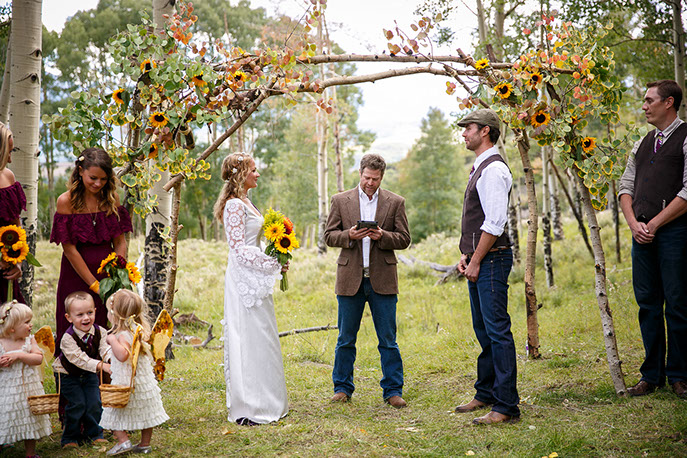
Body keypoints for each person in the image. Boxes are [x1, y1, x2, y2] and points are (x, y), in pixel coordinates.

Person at [324, 153, 411, 408]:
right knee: (345, 339)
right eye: (366, 177)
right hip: (350, 279)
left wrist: (382, 235)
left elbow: (404, 238)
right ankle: (342, 388)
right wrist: (349, 235)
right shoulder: (341, 200)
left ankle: (393, 391)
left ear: (382, 177)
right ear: (360, 173)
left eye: (375, 179)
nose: (370, 183)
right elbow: (329, 236)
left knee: (388, 339)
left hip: (382, 279)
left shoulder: (396, 202)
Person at [619, 79, 687, 399]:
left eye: (649, 101)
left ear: (669, 103)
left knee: (677, 304)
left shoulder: (686, 137)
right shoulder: (643, 142)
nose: (644, 106)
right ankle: (651, 375)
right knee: (647, 305)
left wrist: (656, 223)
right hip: (641, 235)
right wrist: (634, 223)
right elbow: (625, 187)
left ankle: (679, 375)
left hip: (674, 233)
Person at [454, 109, 519, 425]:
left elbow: (494, 224)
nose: (464, 133)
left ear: (486, 132)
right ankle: (486, 392)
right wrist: (467, 255)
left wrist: (477, 259)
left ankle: (506, 406)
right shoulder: (481, 167)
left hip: (492, 260)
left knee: (497, 331)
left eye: (468, 128)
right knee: (484, 330)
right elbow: (478, 223)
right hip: (481, 259)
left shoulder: (493, 171)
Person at [213, 152, 288, 425]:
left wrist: (277, 258)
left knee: (262, 337)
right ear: (240, 174)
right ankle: (249, 406)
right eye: (253, 170)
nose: (258, 174)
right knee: (246, 337)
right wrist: (272, 262)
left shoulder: (247, 201)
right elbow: (239, 249)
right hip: (244, 278)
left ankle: (268, 399)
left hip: (256, 278)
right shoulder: (234, 205)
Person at [50, 147, 133, 352]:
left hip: (107, 275)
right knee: (75, 323)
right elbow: (69, 250)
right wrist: (94, 284)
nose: (98, 184)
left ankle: (105, 378)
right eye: (93, 178)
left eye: (103, 179)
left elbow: (120, 241)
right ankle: (70, 378)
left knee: (106, 327)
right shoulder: (65, 201)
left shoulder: (112, 198)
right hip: (76, 273)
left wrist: (117, 273)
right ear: (80, 170)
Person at [100, 289, 169, 455]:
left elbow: (123, 355)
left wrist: (111, 340)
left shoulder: (122, 335)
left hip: (126, 383)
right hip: (142, 383)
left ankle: (123, 441)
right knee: (146, 412)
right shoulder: (139, 330)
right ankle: (144, 444)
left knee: (113, 411)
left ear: (115, 314)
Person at [52, 291, 111, 448]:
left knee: (94, 402)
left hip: (89, 373)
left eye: (89, 312)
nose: (86, 318)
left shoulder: (101, 332)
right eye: (80, 315)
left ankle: (94, 433)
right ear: (69, 318)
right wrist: (101, 366)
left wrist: (112, 358)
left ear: (95, 311)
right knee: (77, 403)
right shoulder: (67, 338)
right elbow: (79, 359)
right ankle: (70, 437)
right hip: (67, 374)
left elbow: (105, 349)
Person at [0, 301, 52, 458]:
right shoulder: (1, 342)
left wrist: (20, 355)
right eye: (27, 322)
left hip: (28, 390)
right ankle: (5, 441)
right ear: (12, 327)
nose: (31, 325)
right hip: (7, 391)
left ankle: (30, 452)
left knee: (30, 418)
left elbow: (38, 358)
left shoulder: (29, 341)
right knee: (6, 416)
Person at [0, 124, 26, 303]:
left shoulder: (8, 177)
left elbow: (16, 224)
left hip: (6, 271)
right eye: (7, 152)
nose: (9, 160)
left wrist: (17, 260)